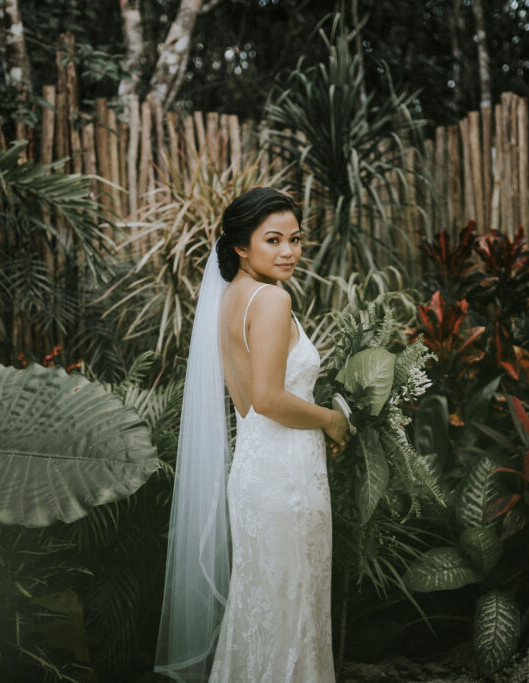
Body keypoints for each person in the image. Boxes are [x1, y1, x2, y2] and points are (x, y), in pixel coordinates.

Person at [155, 187, 350, 682]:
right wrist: (331, 418)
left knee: (264, 612)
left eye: (296, 239)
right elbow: (267, 399)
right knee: (294, 613)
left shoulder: (231, 298)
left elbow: (247, 402)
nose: (289, 251)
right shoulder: (272, 300)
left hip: (254, 473)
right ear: (242, 246)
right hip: (288, 479)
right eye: (273, 240)